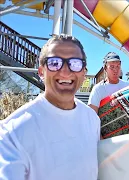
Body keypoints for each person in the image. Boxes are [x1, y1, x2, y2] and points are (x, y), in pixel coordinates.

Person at [0, 34, 100, 180]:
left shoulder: (92, 120)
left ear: (84, 73)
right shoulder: (12, 133)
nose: (65, 71)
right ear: (41, 71)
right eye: (54, 63)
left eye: (75, 63)